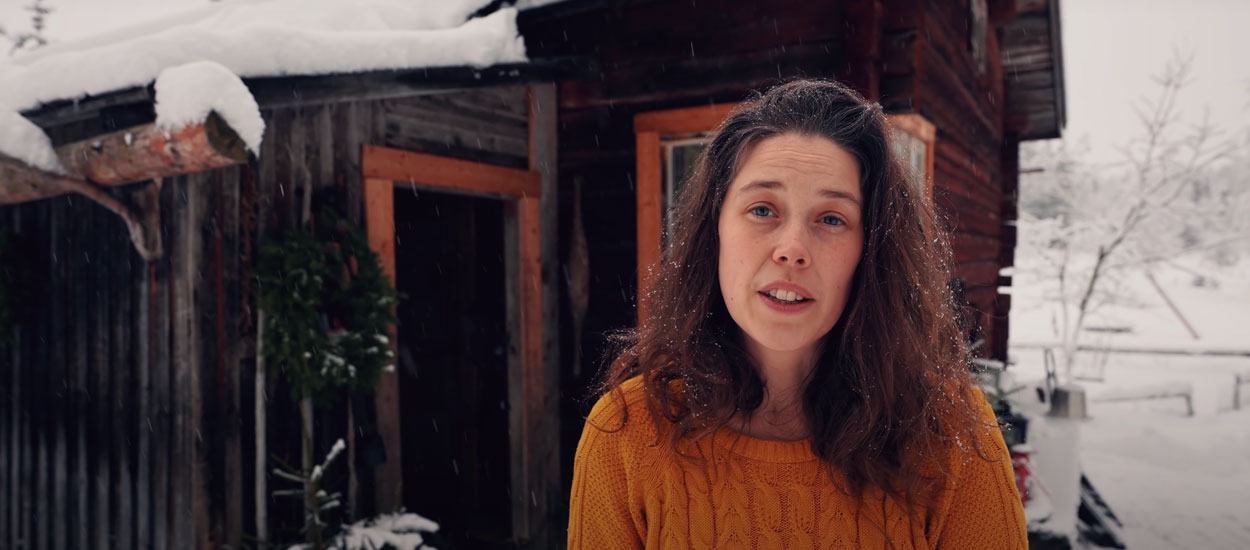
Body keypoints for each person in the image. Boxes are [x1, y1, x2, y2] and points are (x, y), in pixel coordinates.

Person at [566, 79, 1027, 549]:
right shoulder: (625, 437)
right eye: (763, 209)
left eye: (831, 219)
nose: (792, 250)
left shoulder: (950, 439)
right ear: (715, 230)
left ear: (870, 251)